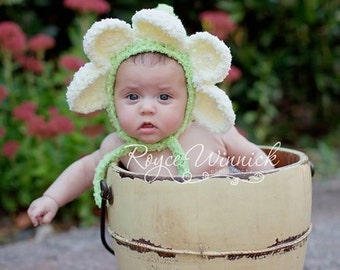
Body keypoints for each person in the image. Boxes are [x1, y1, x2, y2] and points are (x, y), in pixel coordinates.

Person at [27, 4, 274, 227]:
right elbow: (83, 170)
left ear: (189, 99)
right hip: (156, 239)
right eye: (132, 97)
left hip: (223, 230)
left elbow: (253, 159)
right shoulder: (120, 146)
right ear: (113, 101)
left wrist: (272, 193)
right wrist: (51, 198)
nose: (146, 108)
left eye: (164, 97)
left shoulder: (210, 131)